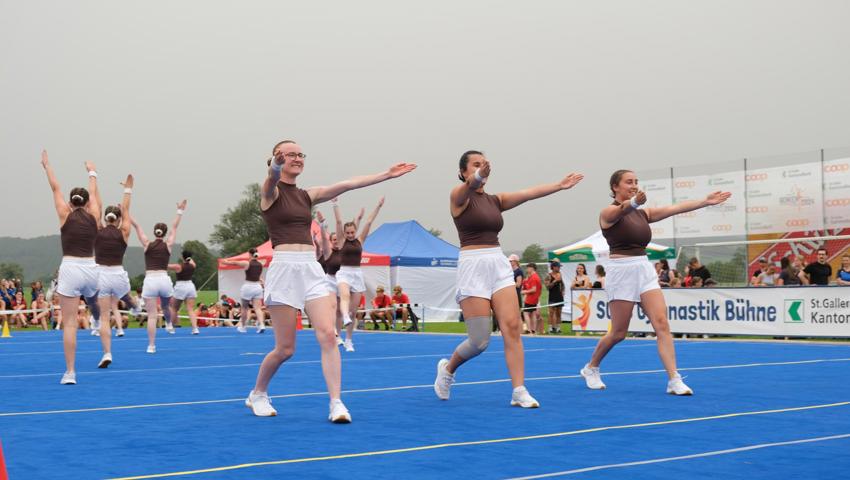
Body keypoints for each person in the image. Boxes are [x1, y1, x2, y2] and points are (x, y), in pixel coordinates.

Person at [245, 139, 415, 423]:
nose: (298, 158)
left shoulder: (307, 195)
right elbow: (272, 177)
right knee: (285, 349)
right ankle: (258, 393)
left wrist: (385, 174)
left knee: (327, 335)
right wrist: (275, 165)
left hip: (311, 269)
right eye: (291, 155)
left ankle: (336, 402)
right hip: (284, 270)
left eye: (301, 154)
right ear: (276, 159)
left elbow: (348, 184)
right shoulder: (270, 194)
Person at [434, 149, 583, 408]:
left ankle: (518, 390)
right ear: (463, 172)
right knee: (479, 341)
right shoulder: (458, 198)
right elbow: (469, 186)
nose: (481, 168)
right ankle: (448, 369)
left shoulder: (495, 200)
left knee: (512, 329)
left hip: (498, 264)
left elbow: (528, 194)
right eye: (475, 165)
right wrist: (477, 177)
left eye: (483, 164)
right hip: (473, 266)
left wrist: (559, 186)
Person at [580, 169, 730, 396]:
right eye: (628, 182)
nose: (634, 185)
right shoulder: (608, 212)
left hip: (644, 269)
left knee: (662, 323)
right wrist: (632, 202)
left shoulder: (642, 213)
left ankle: (674, 379)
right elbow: (621, 210)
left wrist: (705, 202)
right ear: (615, 187)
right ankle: (591, 367)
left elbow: (674, 209)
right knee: (619, 333)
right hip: (621, 271)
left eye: (636, 182)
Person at [41, 150, 101, 385]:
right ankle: (97, 317)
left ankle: (70, 372)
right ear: (86, 203)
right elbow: (94, 192)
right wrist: (92, 171)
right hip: (90, 267)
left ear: (70, 201)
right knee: (94, 298)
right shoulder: (94, 215)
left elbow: (55, 188)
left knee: (69, 323)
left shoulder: (64, 214)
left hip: (70, 268)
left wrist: (47, 166)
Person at [131, 200, 187, 353]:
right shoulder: (168, 244)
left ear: (154, 232)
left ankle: (151, 345)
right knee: (166, 306)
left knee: (152, 316)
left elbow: (136, 226)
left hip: (150, 280)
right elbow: (174, 227)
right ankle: (169, 323)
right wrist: (179, 211)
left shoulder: (147, 244)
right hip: (163, 279)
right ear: (163, 233)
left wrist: (125, 211)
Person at [93, 174, 134, 368]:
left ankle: (107, 353)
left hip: (100, 274)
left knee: (103, 317)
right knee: (125, 296)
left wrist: (93, 178)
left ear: (104, 218)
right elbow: (126, 210)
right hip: (118, 273)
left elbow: (96, 206)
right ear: (118, 220)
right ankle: (134, 305)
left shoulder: (97, 230)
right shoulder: (124, 231)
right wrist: (128, 190)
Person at [335, 197, 383, 352]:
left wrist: (378, 206)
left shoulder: (360, 240)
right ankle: (344, 320)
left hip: (357, 274)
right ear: (344, 233)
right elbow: (338, 221)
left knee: (354, 310)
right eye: (347, 232)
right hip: (344, 273)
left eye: (352, 232)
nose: (350, 234)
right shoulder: (342, 241)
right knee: (344, 296)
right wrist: (335, 204)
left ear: (355, 231)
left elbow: (368, 222)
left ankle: (348, 340)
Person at [221, 248, 267, 333]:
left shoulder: (247, 263)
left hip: (248, 286)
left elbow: (234, 263)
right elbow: (262, 263)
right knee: (258, 308)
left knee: (244, 308)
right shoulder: (261, 263)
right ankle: (261, 325)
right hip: (257, 286)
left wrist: (226, 261)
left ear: (249, 254)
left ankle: (243, 326)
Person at [169, 250, 200, 335]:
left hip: (181, 286)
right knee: (190, 309)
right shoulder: (193, 265)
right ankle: (195, 328)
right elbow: (191, 261)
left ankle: (170, 327)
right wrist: (189, 257)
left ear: (182, 257)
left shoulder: (178, 266)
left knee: (174, 308)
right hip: (190, 286)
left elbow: (165, 266)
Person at [521, 263, 543, 334]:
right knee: (533, 313)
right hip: (534, 299)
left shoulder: (534, 277)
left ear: (532, 268)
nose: (527, 269)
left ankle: (529, 329)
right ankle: (533, 330)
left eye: (528, 268)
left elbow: (534, 289)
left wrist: (524, 291)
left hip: (530, 299)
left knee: (525, 313)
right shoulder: (533, 277)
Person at [544, 260, 564, 334]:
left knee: (559, 313)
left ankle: (558, 328)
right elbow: (547, 287)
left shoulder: (560, 274)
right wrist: (555, 281)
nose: (559, 268)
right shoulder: (548, 275)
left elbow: (562, 284)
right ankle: (550, 329)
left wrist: (562, 291)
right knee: (551, 313)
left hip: (559, 296)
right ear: (554, 267)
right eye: (558, 267)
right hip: (552, 296)